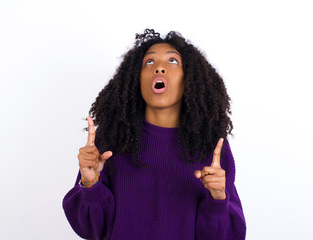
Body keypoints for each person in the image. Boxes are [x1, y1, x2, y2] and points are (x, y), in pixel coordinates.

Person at [62, 29, 246, 240]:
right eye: (149, 62)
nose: (159, 67)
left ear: (189, 79)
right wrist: (90, 184)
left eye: (172, 61)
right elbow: (91, 229)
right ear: (136, 79)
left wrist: (218, 200)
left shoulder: (210, 147)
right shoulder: (112, 141)